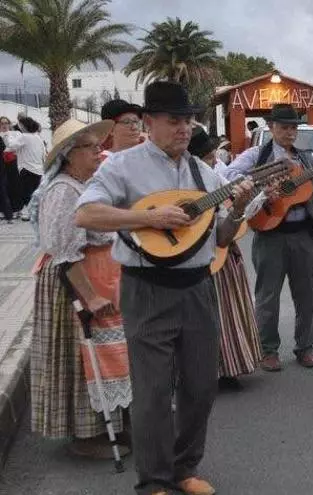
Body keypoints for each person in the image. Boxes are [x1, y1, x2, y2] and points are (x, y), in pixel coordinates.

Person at [75, 80, 254, 495]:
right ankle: (154, 481)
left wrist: (239, 209)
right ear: (149, 122)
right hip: (147, 288)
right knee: (153, 391)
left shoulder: (203, 173)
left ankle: (184, 469)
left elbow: (220, 237)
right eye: (174, 120)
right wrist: (147, 219)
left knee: (200, 386)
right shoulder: (122, 166)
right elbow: (86, 214)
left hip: (198, 287)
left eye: (187, 120)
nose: (183, 128)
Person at [28, 117, 132, 460]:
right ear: (69, 155)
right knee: (81, 358)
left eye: (98, 146)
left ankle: (112, 424)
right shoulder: (63, 190)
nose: (98, 152)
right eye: (90, 148)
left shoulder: (84, 185)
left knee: (107, 356)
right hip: (74, 285)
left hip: (100, 278)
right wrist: (90, 296)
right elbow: (65, 252)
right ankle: (87, 436)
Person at [224, 104, 313, 371]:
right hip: (270, 233)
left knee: (305, 296)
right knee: (267, 296)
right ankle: (268, 350)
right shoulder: (257, 154)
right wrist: (264, 180)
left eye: (293, 127)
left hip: (302, 234)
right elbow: (227, 176)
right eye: (284, 127)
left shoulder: (306, 160)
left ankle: (305, 347)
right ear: (271, 127)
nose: (290, 132)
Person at [186, 127, 261, 391]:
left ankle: (229, 367)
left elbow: (231, 215)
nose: (214, 161)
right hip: (193, 257)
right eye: (208, 157)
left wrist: (255, 198)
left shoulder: (213, 177)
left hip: (221, 253)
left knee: (228, 312)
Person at [1, 115, 46, 220]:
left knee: (26, 193)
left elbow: (11, 145)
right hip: (38, 169)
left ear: (24, 126)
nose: (19, 127)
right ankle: (37, 213)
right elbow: (42, 153)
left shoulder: (24, 137)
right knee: (34, 192)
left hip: (27, 169)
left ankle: (30, 213)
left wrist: (6, 135)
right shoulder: (38, 138)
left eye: (20, 125)